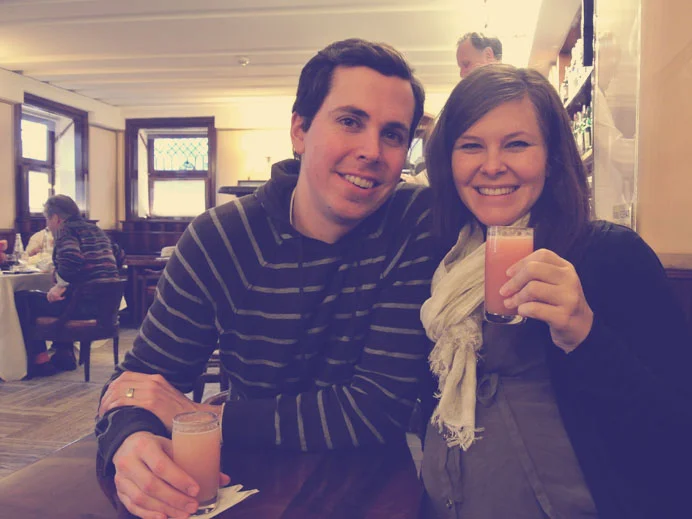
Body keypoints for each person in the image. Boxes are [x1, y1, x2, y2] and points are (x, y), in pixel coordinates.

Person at [95, 38, 436, 519]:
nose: (371, 151)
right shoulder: (220, 238)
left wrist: (208, 417)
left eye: (393, 134)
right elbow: (138, 383)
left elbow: (376, 410)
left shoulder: (413, 223)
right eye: (350, 121)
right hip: (245, 480)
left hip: (374, 487)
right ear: (300, 130)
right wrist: (128, 441)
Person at [419, 64, 692, 519]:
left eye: (517, 144)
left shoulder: (609, 255)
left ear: (552, 156)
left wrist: (585, 336)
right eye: (470, 145)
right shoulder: (444, 260)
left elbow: (683, 439)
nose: (492, 165)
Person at [15, 195, 122, 377]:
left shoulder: (66, 231)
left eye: (47, 219)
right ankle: (64, 354)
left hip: (82, 306)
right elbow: (119, 256)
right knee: (63, 296)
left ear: (56, 218)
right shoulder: (97, 230)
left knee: (23, 299)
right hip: (106, 308)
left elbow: (71, 259)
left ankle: (40, 362)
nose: (48, 225)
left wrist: (60, 285)